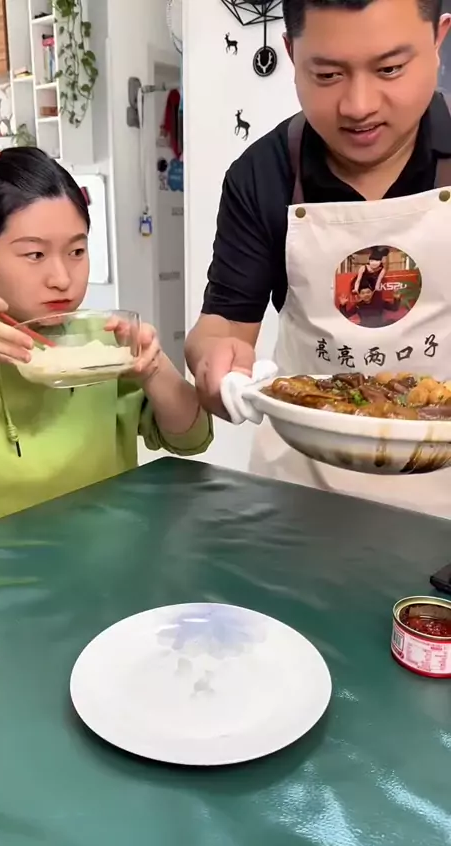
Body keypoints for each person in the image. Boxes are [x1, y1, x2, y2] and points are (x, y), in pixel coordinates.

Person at [185, 0, 451, 517]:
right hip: (301, 490)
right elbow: (222, 326)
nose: (358, 105)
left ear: (439, 40)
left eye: (390, 69)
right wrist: (213, 361)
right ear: (290, 53)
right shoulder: (261, 174)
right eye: (327, 74)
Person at [0, 147, 212, 527]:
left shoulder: (103, 341)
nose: (62, 278)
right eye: (34, 254)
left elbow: (191, 438)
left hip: (103, 552)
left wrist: (154, 368)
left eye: (77, 251)